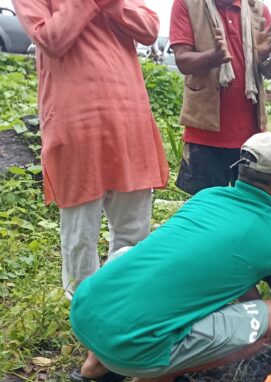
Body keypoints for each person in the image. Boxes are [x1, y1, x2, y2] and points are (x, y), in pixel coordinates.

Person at [69, 133, 271, 382]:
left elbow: (231, 268)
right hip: (137, 349)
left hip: (87, 313)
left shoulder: (209, 196)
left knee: (132, 257)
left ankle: (96, 366)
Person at [12, 0, 170, 301]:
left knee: (133, 232)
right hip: (76, 124)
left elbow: (149, 29)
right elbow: (50, 39)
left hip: (129, 119)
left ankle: (118, 303)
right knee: (80, 236)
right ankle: (84, 312)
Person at [170, 0, 271, 195]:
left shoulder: (259, 10)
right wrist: (214, 56)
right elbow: (183, 61)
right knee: (205, 213)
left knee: (249, 209)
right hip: (205, 136)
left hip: (251, 140)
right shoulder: (187, 4)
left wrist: (264, 56)